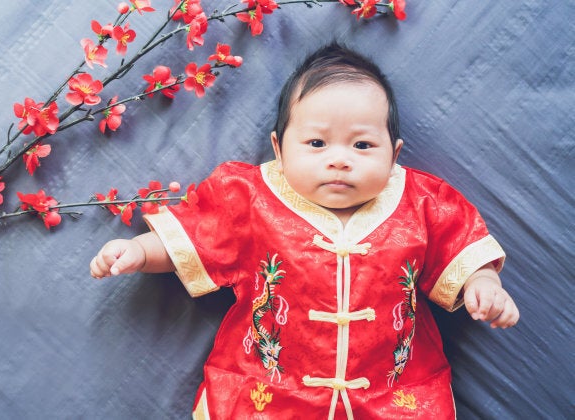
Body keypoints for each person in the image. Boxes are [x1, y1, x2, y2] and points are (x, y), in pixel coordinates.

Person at [90, 43, 519, 419]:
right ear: (278, 149)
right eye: (316, 144)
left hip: (393, 395)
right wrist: (140, 251)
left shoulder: (424, 202)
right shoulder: (250, 199)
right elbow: (190, 237)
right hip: (268, 392)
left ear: (394, 154)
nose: (339, 159)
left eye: (363, 145)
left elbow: (463, 248)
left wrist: (485, 282)